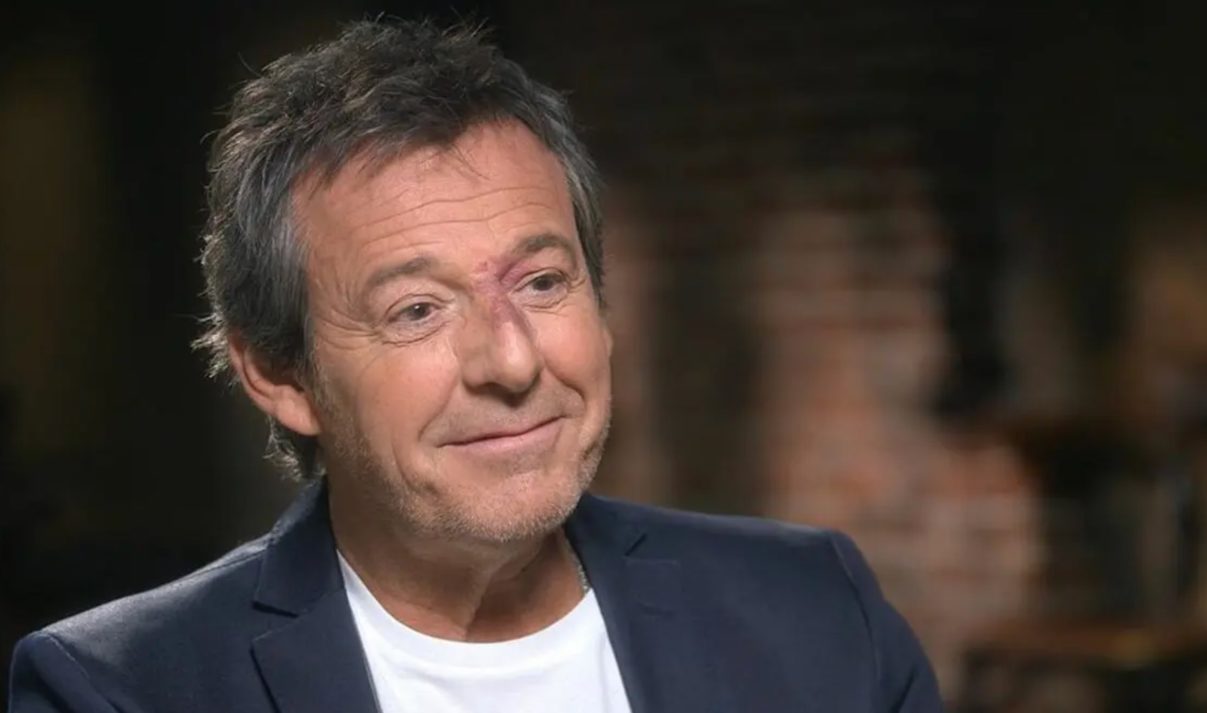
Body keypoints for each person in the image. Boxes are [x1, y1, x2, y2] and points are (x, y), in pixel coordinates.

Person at [8, 18, 942, 713]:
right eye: (417, 309)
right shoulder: (118, 689)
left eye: (542, 282)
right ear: (282, 376)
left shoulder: (816, 613)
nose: (512, 359)